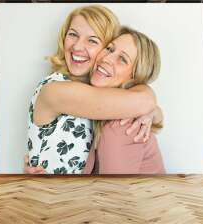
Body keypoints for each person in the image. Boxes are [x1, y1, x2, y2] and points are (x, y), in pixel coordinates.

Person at [26, 5, 158, 174]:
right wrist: (151, 107)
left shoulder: (94, 95)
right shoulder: (56, 89)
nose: (77, 47)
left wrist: (152, 112)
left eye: (93, 40)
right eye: (72, 34)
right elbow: (143, 100)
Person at [83, 27, 165, 174]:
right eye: (109, 49)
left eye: (122, 59)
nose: (106, 58)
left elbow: (114, 195)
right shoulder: (98, 110)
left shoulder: (122, 126)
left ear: (134, 77)